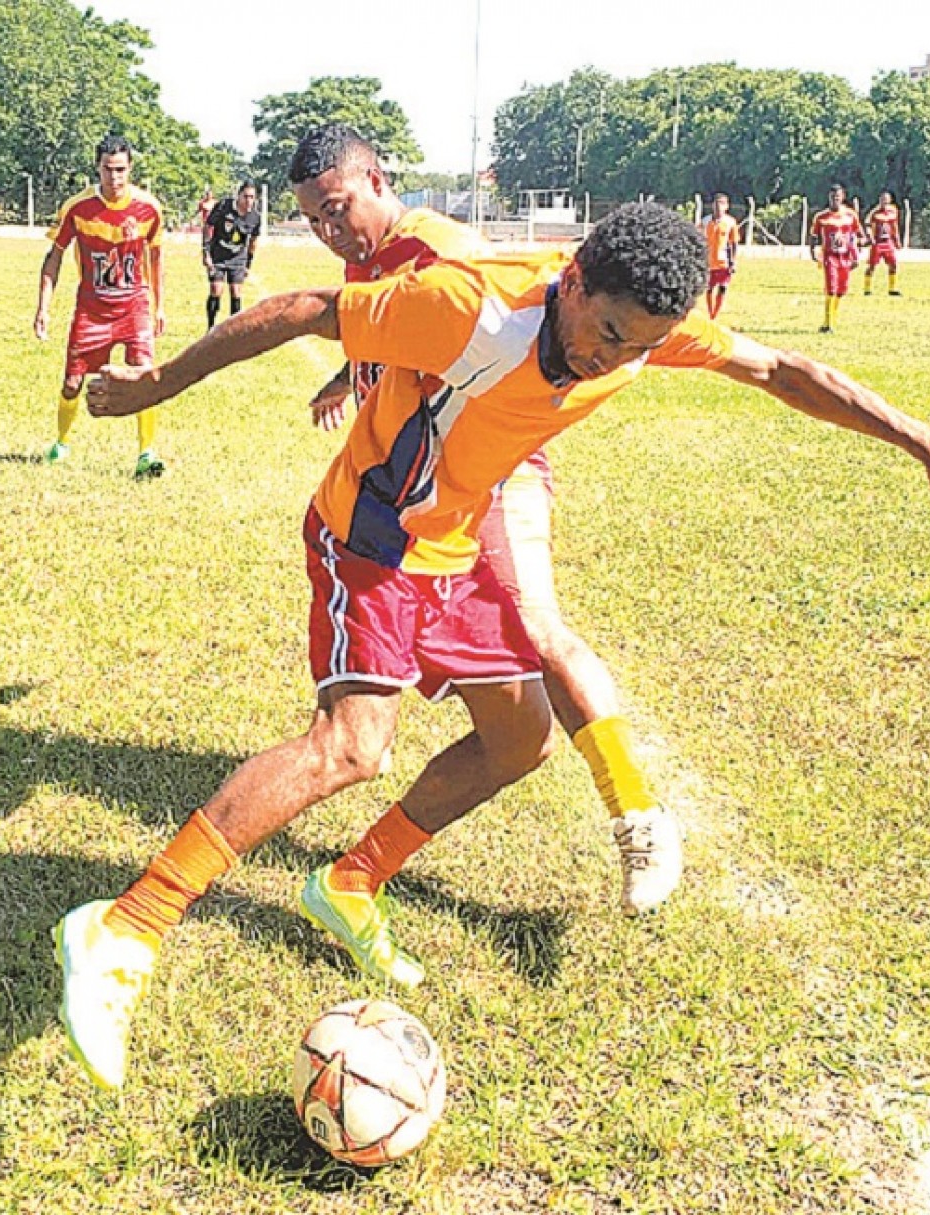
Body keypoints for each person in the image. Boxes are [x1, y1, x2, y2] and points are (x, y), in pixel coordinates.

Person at [54, 201, 930, 1090]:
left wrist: (923, 442)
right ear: (573, 282)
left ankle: (348, 880)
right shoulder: (467, 307)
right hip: (374, 534)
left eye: (636, 348)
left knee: (519, 740)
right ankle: (123, 927)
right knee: (353, 747)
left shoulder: (647, 325)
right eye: (604, 333)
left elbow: (778, 370)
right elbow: (306, 307)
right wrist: (157, 382)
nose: (612, 359)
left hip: (459, 539)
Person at [294, 123, 682, 917]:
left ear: (375, 180)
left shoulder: (443, 247)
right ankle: (354, 873)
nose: (329, 231)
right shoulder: (374, 260)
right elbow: (400, 331)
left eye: (336, 209)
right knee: (513, 729)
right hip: (425, 500)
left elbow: (493, 331)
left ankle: (637, 814)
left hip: (486, 472)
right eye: (312, 219)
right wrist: (348, 374)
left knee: (538, 628)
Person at [34, 134, 167, 477]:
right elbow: (55, 256)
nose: (115, 178)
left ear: (131, 168)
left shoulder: (149, 209)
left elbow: (155, 258)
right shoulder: (77, 208)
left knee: (145, 374)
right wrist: (43, 307)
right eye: (108, 170)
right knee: (72, 384)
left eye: (121, 170)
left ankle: (146, 453)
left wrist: (159, 307)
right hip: (92, 309)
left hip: (133, 305)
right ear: (98, 168)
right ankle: (61, 443)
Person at [202, 182, 262, 329]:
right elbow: (208, 226)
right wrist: (206, 252)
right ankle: (210, 328)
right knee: (216, 289)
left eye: (252, 197)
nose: (249, 201)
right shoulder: (223, 207)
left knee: (236, 292)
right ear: (238, 196)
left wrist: (248, 264)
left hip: (238, 258)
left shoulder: (255, 217)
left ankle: (233, 330)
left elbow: (253, 241)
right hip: (218, 256)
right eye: (246, 196)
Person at [809, 184, 862, 332]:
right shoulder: (821, 217)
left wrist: (856, 255)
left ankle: (833, 317)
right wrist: (812, 251)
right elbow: (814, 236)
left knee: (841, 290)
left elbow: (855, 236)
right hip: (829, 256)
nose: (835, 199)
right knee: (831, 288)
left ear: (843, 197)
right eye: (832, 197)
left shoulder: (850, 216)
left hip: (845, 256)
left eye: (838, 196)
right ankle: (827, 323)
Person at [701, 193, 740, 320]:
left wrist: (733, 261)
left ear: (727, 206)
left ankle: (715, 315)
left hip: (724, 261)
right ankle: (710, 311)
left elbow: (734, 243)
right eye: (716, 203)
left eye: (722, 203)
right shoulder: (705, 221)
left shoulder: (730, 222)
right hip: (709, 261)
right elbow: (699, 239)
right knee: (709, 289)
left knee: (723, 288)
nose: (718, 206)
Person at [862, 192, 902, 297]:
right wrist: (870, 236)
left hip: (888, 242)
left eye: (886, 199)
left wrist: (897, 239)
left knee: (893, 265)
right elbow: (867, 224)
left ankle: (892, 289)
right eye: (882, 199)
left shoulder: (893, 211)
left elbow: (894, 226)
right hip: (877, 242)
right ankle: (867, 289)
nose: (884, 202)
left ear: (889, 200)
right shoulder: (875, 212)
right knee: (872, 266)